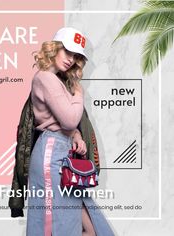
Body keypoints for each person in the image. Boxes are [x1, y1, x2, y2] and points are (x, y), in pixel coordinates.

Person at [25, 27, 114, 236]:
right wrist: (79, 91)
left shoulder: (58, 82)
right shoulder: (45, 78)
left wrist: (76, 135)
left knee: (90, 226)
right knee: (55, 226)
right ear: (54, 48)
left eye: (75, 56)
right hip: (50, 155)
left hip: (63, 155)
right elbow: (68, 119)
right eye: (67, 52)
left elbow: (62, 122)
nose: (71, 59)